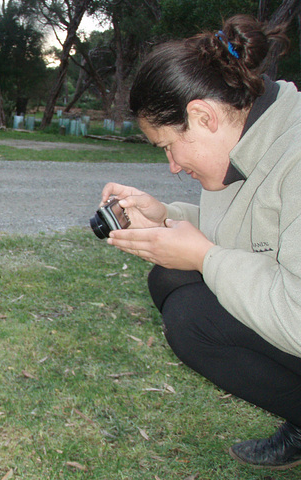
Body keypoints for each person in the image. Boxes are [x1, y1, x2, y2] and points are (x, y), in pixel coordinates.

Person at [101, 14, 301, 470]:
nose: (172, 165)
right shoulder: (253, 136)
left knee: (193, 318)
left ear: (202, 116)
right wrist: (165, 215)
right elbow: (260, 238)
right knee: (171, 279)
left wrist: (206, 258)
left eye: (169, 146)